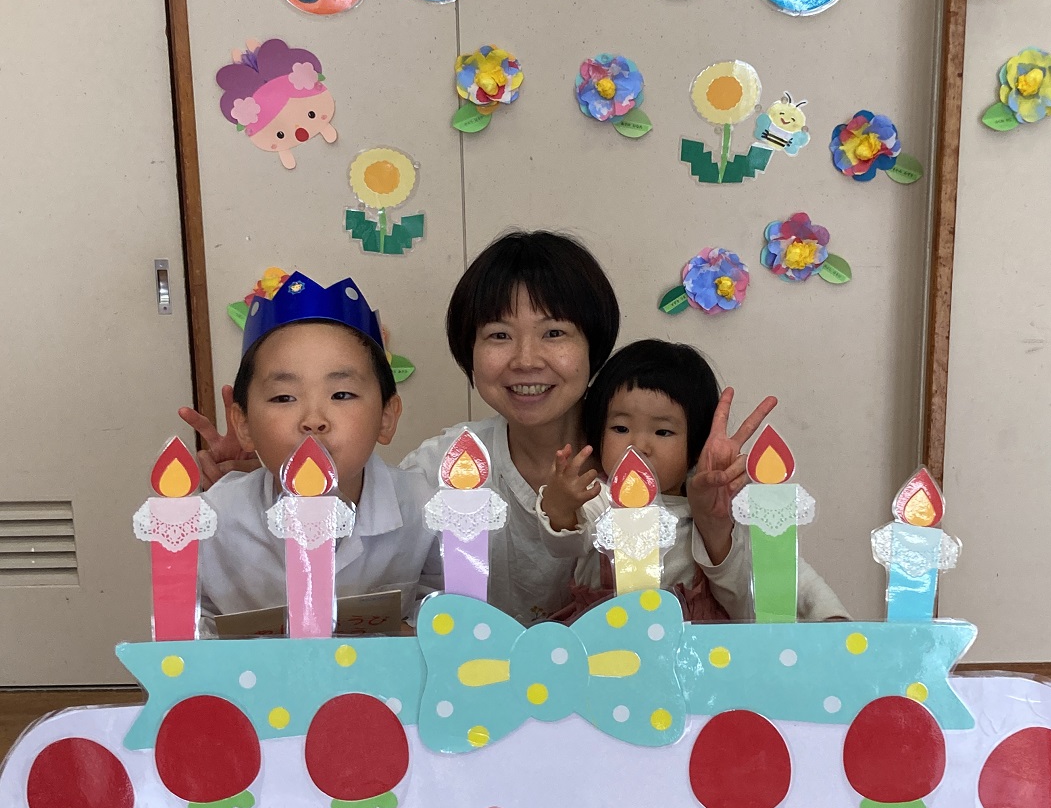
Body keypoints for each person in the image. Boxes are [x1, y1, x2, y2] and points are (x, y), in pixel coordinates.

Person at [396, 230, 620, 625]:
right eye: (499, 335)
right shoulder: (435, 471)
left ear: (594, 345)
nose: (526, 360)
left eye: (554, 333)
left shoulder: (644, 463)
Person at [539, 339, 848, 622]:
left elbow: (777, 575)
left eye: (663, 432)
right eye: (620, 428)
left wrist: (830, 616)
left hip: (695, 650)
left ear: (696, 447)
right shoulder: (600, 497)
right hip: (605, 643)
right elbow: (567, 543)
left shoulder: (715, 505)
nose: (639, 445)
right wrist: (560, 508)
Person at [196, 272, 437, 622]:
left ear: (386, 417)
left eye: (341, 394)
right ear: (244, 425)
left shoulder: (425, 509)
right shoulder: (211, 521)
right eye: (284, 397)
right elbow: (192, 627)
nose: (313, 420)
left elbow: (443, 613)